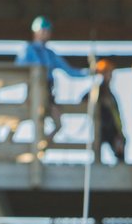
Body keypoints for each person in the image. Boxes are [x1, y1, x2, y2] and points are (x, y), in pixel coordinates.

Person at [15, 15, 87, 144]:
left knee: (58, 123)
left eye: (47, 31)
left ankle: (42, 145)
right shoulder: (28, 50)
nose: (45, 34)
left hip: (49, 93)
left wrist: (90, 72)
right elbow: (18, 70)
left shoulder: (50, 54)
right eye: (43, 30)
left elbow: (70, 71)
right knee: (24, 119)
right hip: (33, 91)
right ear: (35, 32)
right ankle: (7, 145)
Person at [91, 59, 127, 164]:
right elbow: (84, 100)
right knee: (99, 144)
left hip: (112, 128)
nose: (110, 76)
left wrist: (120, 133)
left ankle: (121, 163)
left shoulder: (110, 94)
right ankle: (98, 163)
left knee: (121, 143)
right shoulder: (97, 90)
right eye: (108, 73)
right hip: (101, 127)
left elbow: (116, 115)